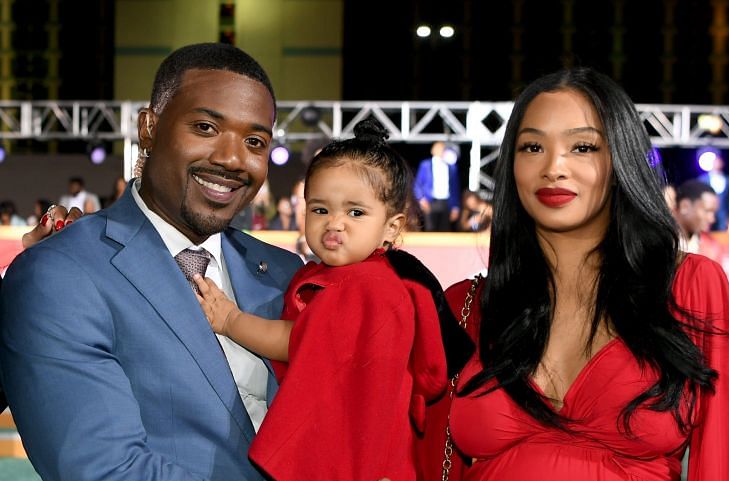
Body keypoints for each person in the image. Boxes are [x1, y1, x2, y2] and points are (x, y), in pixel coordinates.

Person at [417, 67, 729, 481]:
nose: (553, 167)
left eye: (583, 147)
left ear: (620, 158)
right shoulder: (467, 305)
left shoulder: (689, 286)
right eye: (532, 147)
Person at [0, 43, 306, 481]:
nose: (232, 159)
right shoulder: (61, 273)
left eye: (254, 141)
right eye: (205, 127)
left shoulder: (285, 273)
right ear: (149, 127)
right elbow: (105, 470)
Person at [194, 119, 457, 481]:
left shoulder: (367, 285)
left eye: (355, 212)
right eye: (320, 210)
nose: (334, 223)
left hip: (362, 460)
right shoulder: (364, 277)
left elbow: (299, 340)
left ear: (392, 227)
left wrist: (229, 321)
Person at [413, 141, 461, 231]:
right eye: (438, 148)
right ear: (433, 150)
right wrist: (421, 199)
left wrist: (455, 207)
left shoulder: (452, 167)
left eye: (443, 148)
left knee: (445, 229)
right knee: (430, 229)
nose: (441, 150)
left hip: (446, 202)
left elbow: (455, 188)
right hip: (430, 202)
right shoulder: (425, 165)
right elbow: (418, 184)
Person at [673, 179, 719, 254]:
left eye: (713, 212)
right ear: (684, 206)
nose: (712, 219)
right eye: (707, 211)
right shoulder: (661, 244)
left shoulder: (709, 246)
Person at [697, 153, 729, 230]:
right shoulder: (702, 180)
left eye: (719, 162)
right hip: (708, 213)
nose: (717, 164)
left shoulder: (728, 180)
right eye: (715, 162)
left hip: (723, 214)